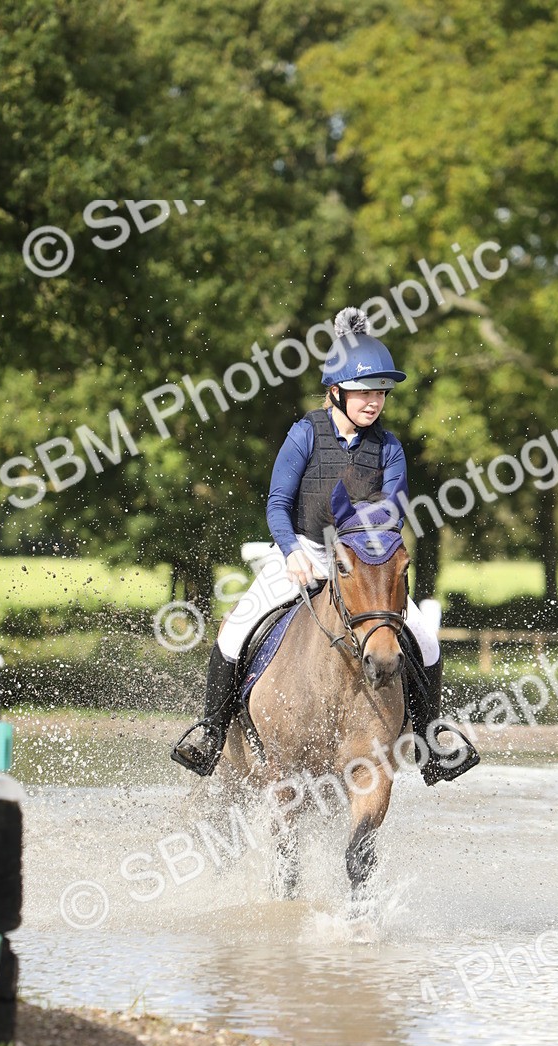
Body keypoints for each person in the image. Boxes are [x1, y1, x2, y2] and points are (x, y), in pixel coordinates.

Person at [171, 307, 474, 783]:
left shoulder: (389, 447)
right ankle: (211, 731)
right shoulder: (305, 434)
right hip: (306, 552)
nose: (374, 402)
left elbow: (390, 513)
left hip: (363, 558)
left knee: (427, 640)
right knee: (235, 631)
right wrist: (291, 552)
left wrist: (368, 556)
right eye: (364, 392)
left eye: (380, 393)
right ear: (336, 391)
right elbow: (277, 503)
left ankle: (433, 739)